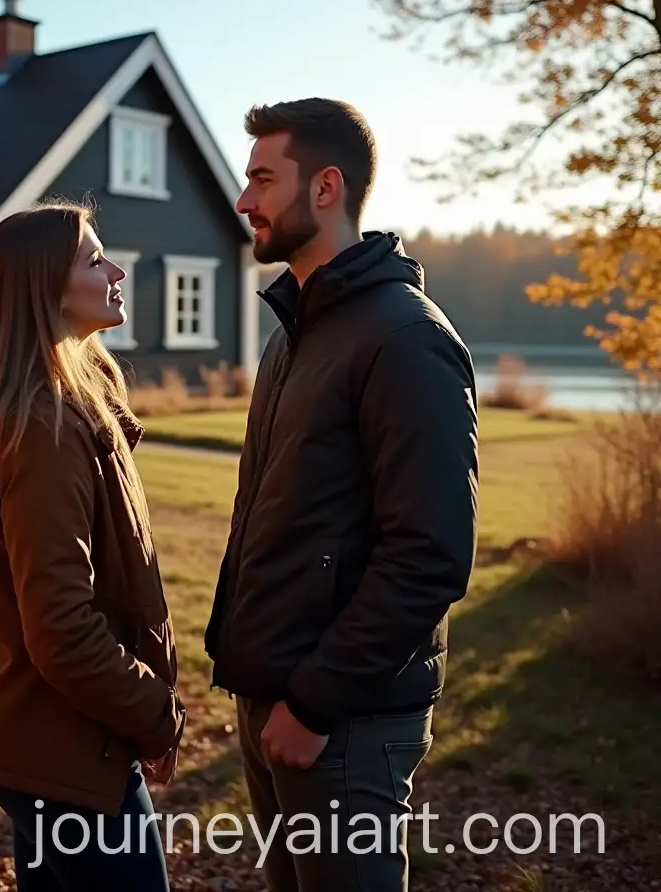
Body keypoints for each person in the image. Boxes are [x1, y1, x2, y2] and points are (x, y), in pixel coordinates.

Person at [204, 99, 479, 891]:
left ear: (325, 188)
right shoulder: (294, 331)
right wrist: (263, 697)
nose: (244, 198)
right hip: (272, 701)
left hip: (344, 722)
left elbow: (430, 554)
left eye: (262, 176)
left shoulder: (404, 337)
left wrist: (315, 704)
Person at [0, 201, 186, 892]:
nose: (117, 270)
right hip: (66, 749)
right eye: (93, 259)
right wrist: (157, 718)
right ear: (43, 288)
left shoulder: (71, 404)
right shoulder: (44, 429)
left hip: (47, 739)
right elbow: (63, 630)